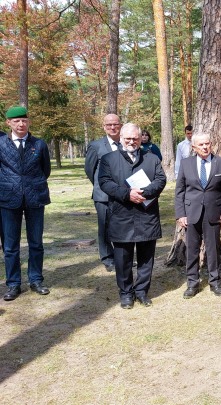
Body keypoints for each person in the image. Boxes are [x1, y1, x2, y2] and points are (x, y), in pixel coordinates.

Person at [99, 123, 166, 309]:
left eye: (135, 138)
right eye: (127, 138)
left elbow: (161, 179)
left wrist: (144, 192)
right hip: (122, 215)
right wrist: (126, 194)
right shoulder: (108, 159)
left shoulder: (151, 158)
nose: (131, 142)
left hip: (147, 215)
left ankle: (142, 292)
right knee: (122, 259)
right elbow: (105, 182)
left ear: (140, 138)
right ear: (121, 138)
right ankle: (126, 293)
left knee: (146, 258)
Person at [1, 106, 51, 302]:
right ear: (9, 123)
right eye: (16, 121)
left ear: (29, 122)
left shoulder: (39, 144)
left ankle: (36, 279)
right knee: (10, 246)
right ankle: (13, 284)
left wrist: (31, 184)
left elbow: (45, 170)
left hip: (35, 197)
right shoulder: (1, 144)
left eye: (24, 120)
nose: (21, 124)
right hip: (8, 199)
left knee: (36, 243)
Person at [175, 133, 221, 298]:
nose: (205, 147)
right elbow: (179, 191)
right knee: (192, 250)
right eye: (201, 145)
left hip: (214, 214)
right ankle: (192, 283)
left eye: (207, 143)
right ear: (194, 147)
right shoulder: (186, 164)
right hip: (191, 214)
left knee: (213, 249)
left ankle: (215, 282)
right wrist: (180, 214)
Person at [84, 113, 122, 273]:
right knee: (105, 227)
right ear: (104, 127)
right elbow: (89, 170)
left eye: (115, 124)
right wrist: (101, 187)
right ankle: (107, 258)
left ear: (120, 125)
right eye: (109, 125)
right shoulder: (96, 146)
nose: (112, 127)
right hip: (103, 195)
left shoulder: (126, 143)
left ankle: (122, 257)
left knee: (122, 227)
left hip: (123, 195)